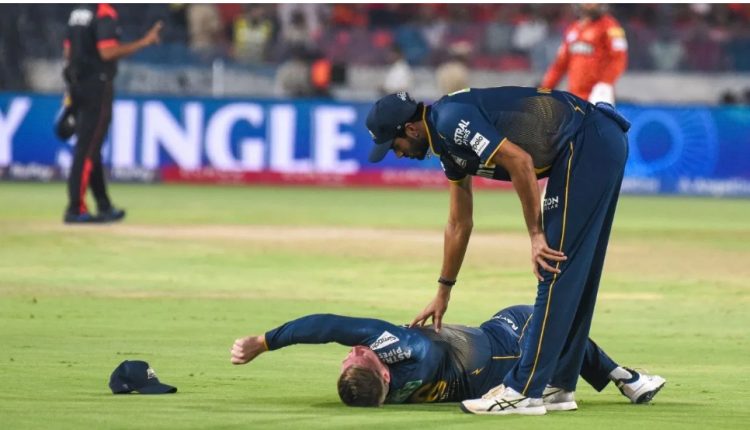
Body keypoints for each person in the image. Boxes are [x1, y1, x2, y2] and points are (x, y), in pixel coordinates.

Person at [365, 87, 630, 415]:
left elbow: (520, 161)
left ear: (411, 129)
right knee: (574, 273)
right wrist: (443, 291)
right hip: (597, 143)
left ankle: (523, 391)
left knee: (554, 266)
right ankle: (560, 385)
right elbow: (459, 223)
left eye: (394, 145)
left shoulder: (450, 120)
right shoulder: (447, 147)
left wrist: (536, 235)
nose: (397, 154)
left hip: (589, 140)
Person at [230, 304, 665, 411]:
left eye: (350, 356)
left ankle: (567, 386)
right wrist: (265, 342)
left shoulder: (390, 394)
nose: (355, 350)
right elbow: (325, 326)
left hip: (495, 373)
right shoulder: (404, 348)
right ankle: (625, 377)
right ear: (384, 371)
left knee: (558, 330)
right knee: (554, 315)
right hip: (506, 339)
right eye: (361, 356)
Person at [62, 4, 163, 223]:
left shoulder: (77, 13)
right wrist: (144, 42)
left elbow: (68, 52)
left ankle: (104, 205)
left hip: (77, 83)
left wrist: (70, 88)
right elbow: (107, 51)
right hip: (97, 87)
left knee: (91, 146)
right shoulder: (104, 12)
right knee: (87, 149)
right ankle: (75, 208)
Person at [540, 4, 628, 104]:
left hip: (598, 94)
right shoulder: (573, 29)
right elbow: (559, 65)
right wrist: (545, 88)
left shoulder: (611, 26)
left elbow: (618, 58)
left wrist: (605, 84)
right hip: (575, 96)